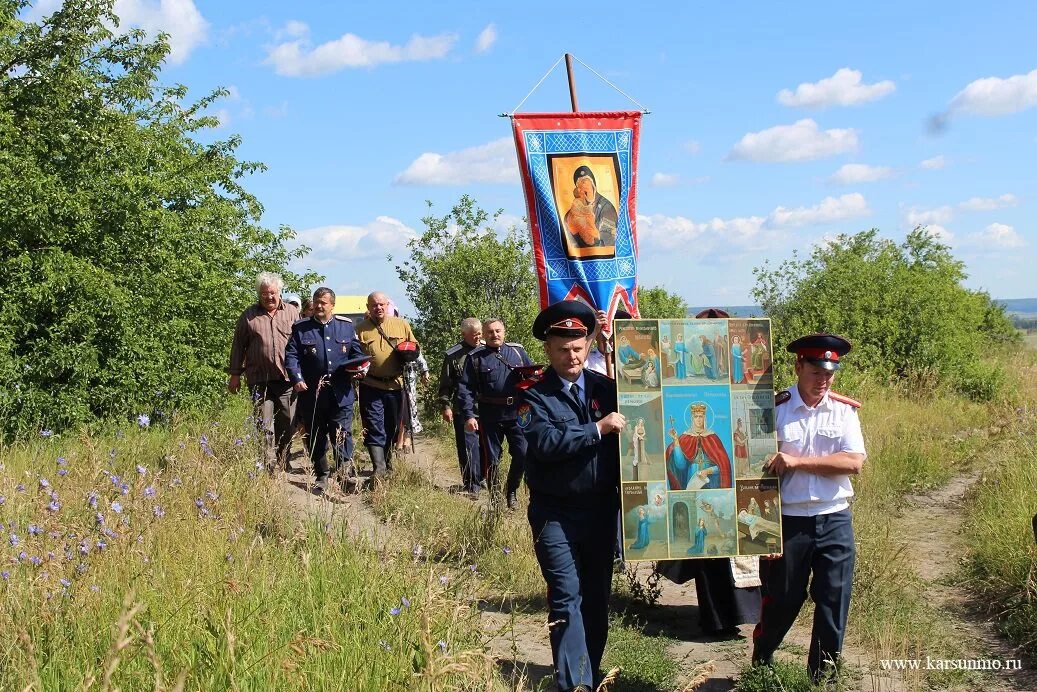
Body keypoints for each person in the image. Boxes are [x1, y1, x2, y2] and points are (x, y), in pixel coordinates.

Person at [519, 300, 625, 692]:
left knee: (596, 603)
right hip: (555, 514)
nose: (571, 356)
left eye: (578, 347)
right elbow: (543, 442)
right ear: (548, 349)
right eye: (562, 349)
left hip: (601, 511)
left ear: (589, 345)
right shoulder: (533, 395)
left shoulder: (607, 390)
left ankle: (589, 675)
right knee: (566, 598)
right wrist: (596, 429)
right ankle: (574, 685)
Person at [752, 333, 866, 683]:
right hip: (788, 521)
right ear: (799, 366)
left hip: (834, 517)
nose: (824, 380)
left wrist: (799, 462)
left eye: (830, 373)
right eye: (817, 372)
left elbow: (854, 462)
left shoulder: (844, 411)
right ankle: (763, 654)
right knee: (783, 599)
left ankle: (823, 678)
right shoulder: (773, 408)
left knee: (834, 598)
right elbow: (752, 470)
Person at [657, 308, 762, 638]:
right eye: (697, 418)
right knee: (708, 554)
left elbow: (727, 461)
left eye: (703, 418)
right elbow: (677, 464)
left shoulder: (715, 437)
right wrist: (675, 447)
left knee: (736, 552)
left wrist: (718, 469)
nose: (700, 422)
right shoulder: (686, 437)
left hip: (722, 489)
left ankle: (744, 613)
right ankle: (716, 619)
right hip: (697, 491)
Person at [284, 287, 368, 492]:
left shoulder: (345, 327)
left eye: (323, 302)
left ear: (332, 305)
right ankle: (322, 475)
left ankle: (344, 474)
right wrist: (297, 378)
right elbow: (291, 356)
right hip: (312, 393)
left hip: (341, 393)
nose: (319, 306)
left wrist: (361, 370)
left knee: (342, 433)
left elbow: (357, 354)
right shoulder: (301, 327)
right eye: (316, 302)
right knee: (316, 434)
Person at [226, 272, 300, 474]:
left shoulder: (292, 313)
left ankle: (284, 458)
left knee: (288, 423)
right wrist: (235, 375)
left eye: (273, 293)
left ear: (280, 292)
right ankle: (269, 464)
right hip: (259, 379)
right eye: (264, 293)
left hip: (286, 379)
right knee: (263, 424)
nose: (269, 297)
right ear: (259, 294)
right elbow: (238, 346)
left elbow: (302, 343)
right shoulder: (248, 315)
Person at [457, 318, 533, 508]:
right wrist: (469, 415)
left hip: (518, 413)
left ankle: (511, 490)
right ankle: (496, 498)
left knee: (523, 453)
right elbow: (465, 388)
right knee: (492, 460)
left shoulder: (518, 352)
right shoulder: (475, 358)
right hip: (489, 414)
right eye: (490, 332)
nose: (495, 335)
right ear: (484, 334)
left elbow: (533, 378)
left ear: (504, 332)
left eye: (498, 331)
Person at [355, 292, 417, 478]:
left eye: (382, 304)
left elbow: (414, 346)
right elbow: (354, 355)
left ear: (387, 305)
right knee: (374, 426)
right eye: (374, 305)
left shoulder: (402, 324)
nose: (378, 308)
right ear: (368, 307)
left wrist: (408, 353)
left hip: (396, 385)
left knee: (392, 428)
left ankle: (387, 462)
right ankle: (379, 468)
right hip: (371, 385)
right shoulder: (361, 329)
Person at [437, 318, 483, 495]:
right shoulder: (454, 355)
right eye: (474, 335)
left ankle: (481, 477)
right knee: (466, 446)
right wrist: (445, 406)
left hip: (485, 406)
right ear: (464, 335)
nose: (478, 338)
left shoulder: (487, 349)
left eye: (480, 334)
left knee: (484, 446)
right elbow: (445, 384)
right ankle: (470, 482)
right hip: (462, 407)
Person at [563, 165, 619, 249]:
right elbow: (568, 239)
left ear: (593, 185)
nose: (583, 187)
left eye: (585, 182)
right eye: (579, 185)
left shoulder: (606, 207)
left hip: (600, 256)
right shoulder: (572, 212)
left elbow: (609, 239)